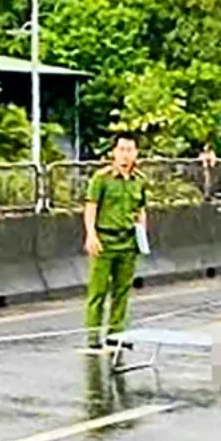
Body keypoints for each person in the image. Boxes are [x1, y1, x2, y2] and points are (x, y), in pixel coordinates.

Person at [83, 133, 149, 349]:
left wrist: (142, 236)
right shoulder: (101, 179)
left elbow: (141, 210)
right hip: (105, 240)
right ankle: (93, 335)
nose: (125, 154)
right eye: (121, 149)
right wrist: (91, 234)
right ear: (113, 152)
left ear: (136, 153)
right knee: (98, 291)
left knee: (122, 291)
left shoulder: (139, 180)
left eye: (130, 149)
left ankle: (116, 333)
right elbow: (91, 207)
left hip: (128, 242)